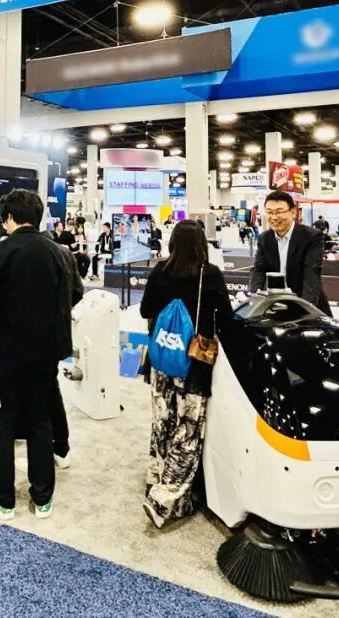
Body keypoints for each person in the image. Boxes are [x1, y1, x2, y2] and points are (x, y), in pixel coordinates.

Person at [0, 189, 82, 521]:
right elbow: (71, 296)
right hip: (46, 353)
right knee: (39, 422)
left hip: (3, 352)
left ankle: (3, 499)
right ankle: (42, 498)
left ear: (9, 217)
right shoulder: (59, 252)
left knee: (0, 423)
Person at [139, 220, 232, 526]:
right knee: (187, 432)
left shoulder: (160, 270)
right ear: (202, 245)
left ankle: (157, 478)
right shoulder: (210, 275)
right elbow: (226, 317)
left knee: (162, 424)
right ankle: (164, 500)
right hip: (194, 365)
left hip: (162, 360)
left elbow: (145, 310)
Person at [250, 190, 331, 315]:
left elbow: (311, 273)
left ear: (293, 212)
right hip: (276, 306)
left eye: (279, 212)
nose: (274, 217)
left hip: (307, 304)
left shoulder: (312, 236)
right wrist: (254, 299)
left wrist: (306, 310)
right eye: (269, 212)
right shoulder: (264, 238)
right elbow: (259, 270)